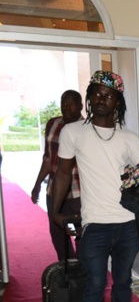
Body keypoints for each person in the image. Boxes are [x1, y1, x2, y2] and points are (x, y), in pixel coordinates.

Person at [50, 71, 139, 302]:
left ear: (118, 101)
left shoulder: (130, 138)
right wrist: (55, 210)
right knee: (93, 285)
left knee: (122, 281)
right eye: (96, 93)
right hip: (94, 224)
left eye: (108, 94)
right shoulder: (73, 133)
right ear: (89, 97)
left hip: (128, 223)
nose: (101, 99)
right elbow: (64, 173)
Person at [30, 90, 83, 261]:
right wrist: (37, 184)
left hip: (80, 192)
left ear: (81, 105)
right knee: (57, 234)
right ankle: (68, 270)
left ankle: (85, 271)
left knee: (82, 234)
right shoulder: (53, 124)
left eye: (71, 102)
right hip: (54, 191)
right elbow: (48, 159)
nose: (66, 106)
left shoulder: (87, 129)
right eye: (63, 102)